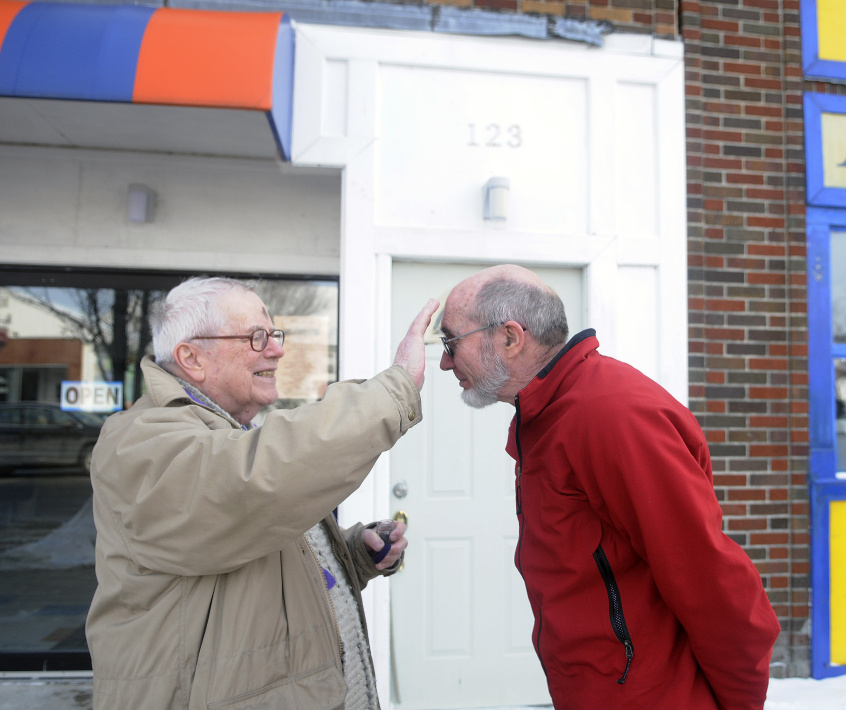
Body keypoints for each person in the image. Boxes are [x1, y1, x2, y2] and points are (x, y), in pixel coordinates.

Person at [86, 276, 438, 710]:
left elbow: (265, 547)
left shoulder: (234, 433)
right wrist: (393, 391)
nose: (277, 349)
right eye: (256, 337)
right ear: (191, 357)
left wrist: (354, 555)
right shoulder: (138, 441)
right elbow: (250, 485)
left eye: (274, 334)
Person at [438, 265, 781, 710]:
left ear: (509, 337)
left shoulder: (610, 416)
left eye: (450, 342)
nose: (445, 361)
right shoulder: (548, 413)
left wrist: (740, 704)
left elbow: (712, 581)